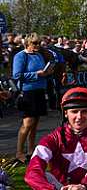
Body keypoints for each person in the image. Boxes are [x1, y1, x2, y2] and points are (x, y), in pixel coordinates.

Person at [12, 33, 53, 163]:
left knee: (35, 123)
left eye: (39, 43)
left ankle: (31, 150)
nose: (37, 46)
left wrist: (47, 73)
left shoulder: (39, 55)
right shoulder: (20, 56)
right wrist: (36, 74)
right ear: (27, 43)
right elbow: (17, 75)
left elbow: (42, 72)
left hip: (39, 90)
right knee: (27, 123)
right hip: (27, 92)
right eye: (35, 43)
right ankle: (19, 152)